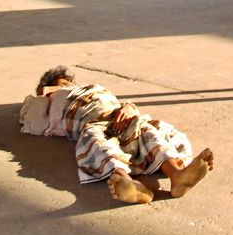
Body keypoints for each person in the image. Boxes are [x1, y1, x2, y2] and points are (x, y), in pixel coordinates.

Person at [19, 66, 214, 204]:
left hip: (118, 113)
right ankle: (128, 184)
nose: (69, 83)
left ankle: (176, 175)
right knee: (96, 142)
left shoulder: (92, 87)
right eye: (63, 82)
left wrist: (129, 107)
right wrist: (48, 92)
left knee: (146, 132)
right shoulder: (51, 99)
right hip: (91, 122)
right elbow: (33, 122)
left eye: (69, 81)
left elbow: (114, 101)